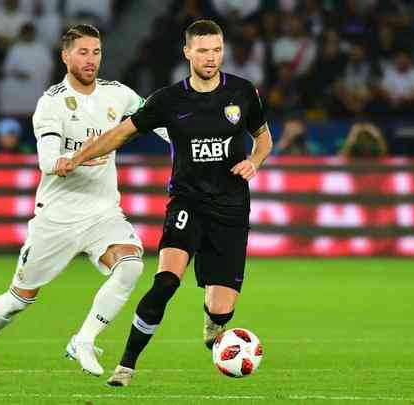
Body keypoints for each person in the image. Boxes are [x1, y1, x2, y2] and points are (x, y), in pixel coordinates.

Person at [56, 19, 273, 387]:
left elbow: (263, 138)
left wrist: (255, 160)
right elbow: (120, 133)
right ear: (187, 52)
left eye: (216, 49)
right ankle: (126, 365)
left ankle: (214, 321)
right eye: (202, 50)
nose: (210, 57)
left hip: (232, 208)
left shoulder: (242, 92)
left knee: (223, 309)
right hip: (187, 202)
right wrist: (77, 158)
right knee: (166, 281)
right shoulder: (169, 100)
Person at [0, 24, 150, 380]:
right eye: (83, 52)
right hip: (57, 218)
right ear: (65, 56)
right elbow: (47, 159)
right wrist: (64, 161)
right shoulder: (51, 102)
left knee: (132, 265)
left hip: (103, 212)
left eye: (97, 52)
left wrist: (183, 140)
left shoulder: (118, 94)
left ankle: (84, 339)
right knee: (18, 299)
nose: (91, 60)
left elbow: (157, 119)